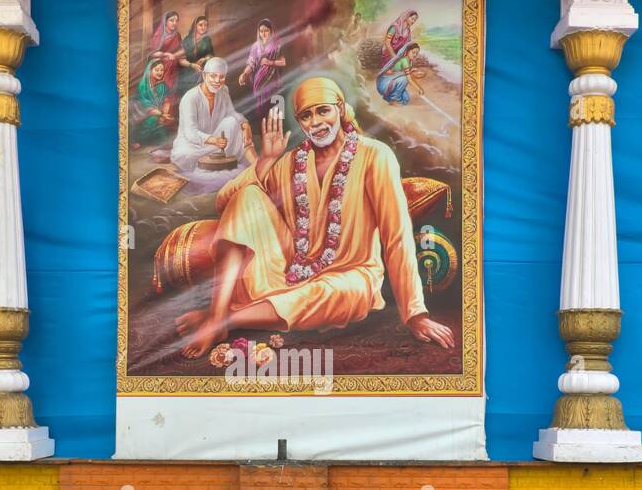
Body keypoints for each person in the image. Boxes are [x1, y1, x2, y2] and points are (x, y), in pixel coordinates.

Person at [175, 77, 454, 358]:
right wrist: (266, 161)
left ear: (341, 110)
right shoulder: (292, 162)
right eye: (306, 116)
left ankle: (223, 320)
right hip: (291, 271)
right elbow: (224, 200)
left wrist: (415, 314)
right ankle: (218, 312)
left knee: (352, 291)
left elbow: (397, 236)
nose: (316, 122)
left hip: (349, 277)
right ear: (300, 122)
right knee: (247, 196)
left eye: (323, 110)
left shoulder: (375, 156)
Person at [170, 56, 254, 173]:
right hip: (193, 146)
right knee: (186, 155)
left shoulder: (223, 90)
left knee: (233, 122)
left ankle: (255, 163)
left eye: (221, 77)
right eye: (213, 76)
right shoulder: (190, 97)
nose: (217, 81)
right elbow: (191, 133)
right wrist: (214, 141)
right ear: (204, 76)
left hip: (216, 142)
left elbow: (231, 112)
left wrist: (245, 124)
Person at [238, 19, 285, 122]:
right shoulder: (255, 46)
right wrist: (244, 74)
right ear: (258, 32)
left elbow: (283, 62)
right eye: (261, 31)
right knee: (261, 112)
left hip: (273, 82)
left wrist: (270, 62)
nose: (263, 33)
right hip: (259, 83)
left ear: (271, 31)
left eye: (266, 30)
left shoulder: (277, 45)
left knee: (274, 111)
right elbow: (251, 63)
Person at [177, 14, 214, 102]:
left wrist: (204, 59)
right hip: (187, 73)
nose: (203, 27)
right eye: (200, 25)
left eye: (205, 25)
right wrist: (192, 65)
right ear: (195, 26)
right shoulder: (187, 40)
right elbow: (180, 59)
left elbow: (211, 55)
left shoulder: (207, 40)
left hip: (202, 72)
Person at [147, 11, 184, 97]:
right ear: (165, 22)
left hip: (173, 65)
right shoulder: (158, 35)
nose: (174, 23)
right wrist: (165, 54)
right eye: (172, 20)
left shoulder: (177, 35)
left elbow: (183, 50)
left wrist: (174, 56)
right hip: (160, 64)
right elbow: (152, 54)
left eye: (176, 21)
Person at [377, 41, 425, 105]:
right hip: (384, 84)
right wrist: (419, 89)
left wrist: (413, 72)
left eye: (417, 53)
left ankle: (389, 97)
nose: (415, 55)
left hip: (391, 83)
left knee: (405, 100)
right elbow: (408, 78)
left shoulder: (409, 61)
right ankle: (393, 99)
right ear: (407, 51)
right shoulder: (404, 60)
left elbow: (405, 73)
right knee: (405, 79)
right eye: (413, 52)